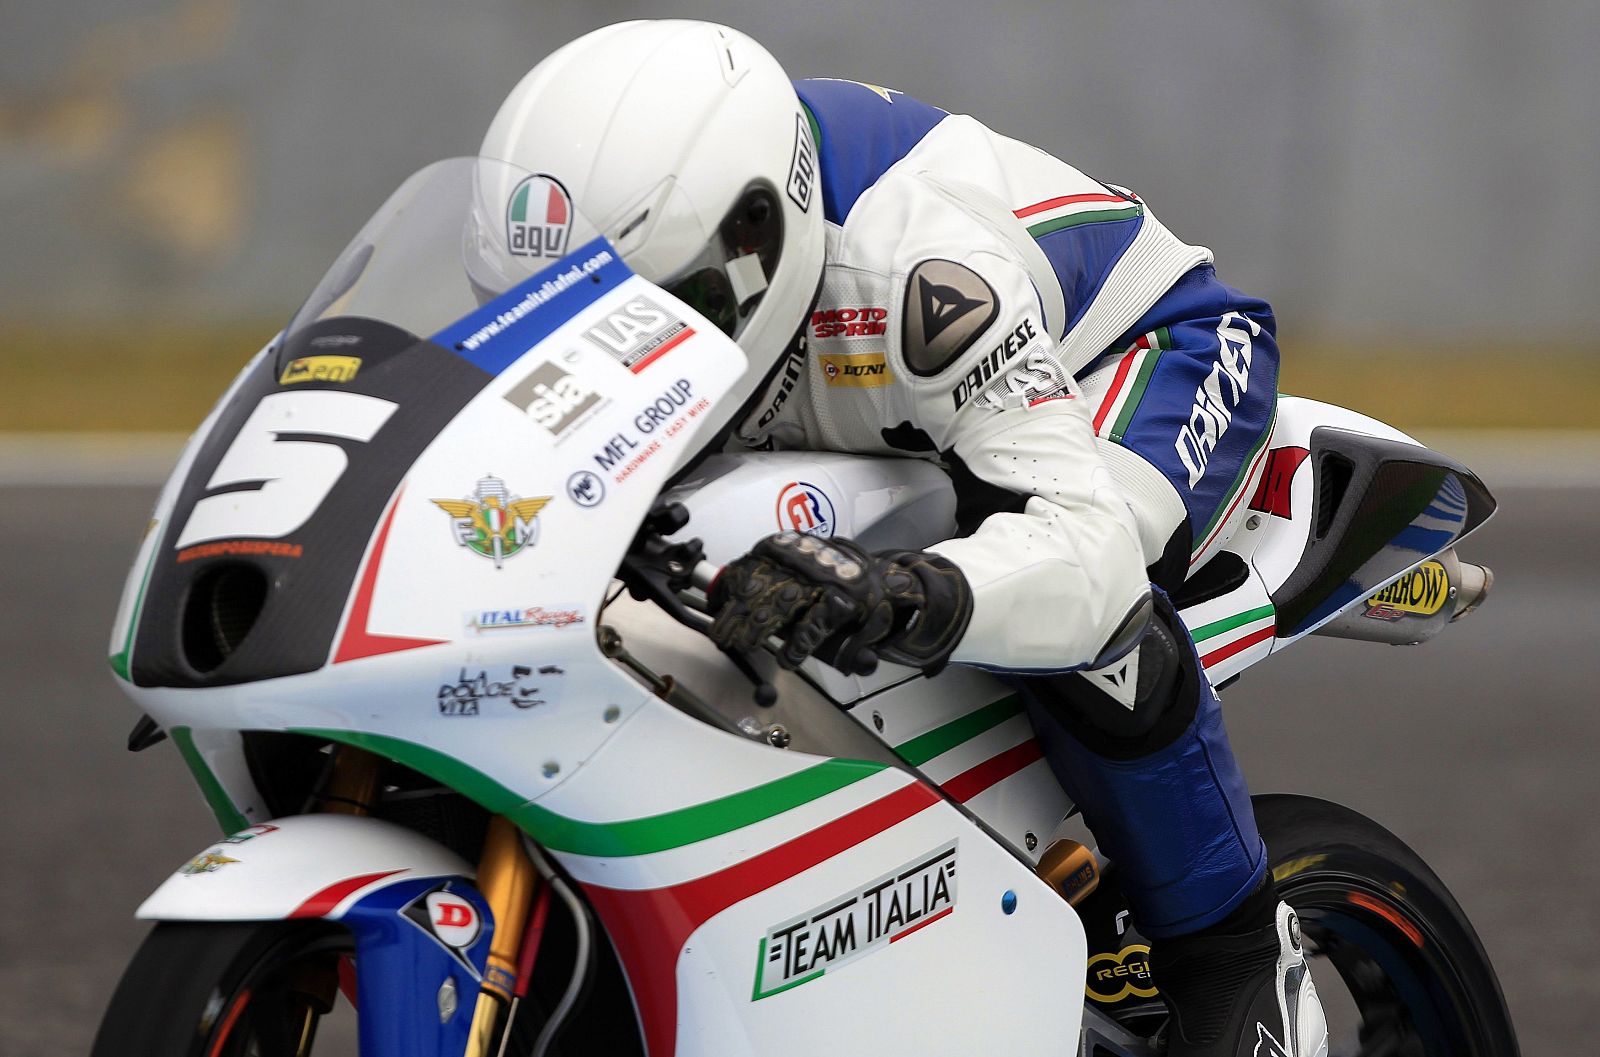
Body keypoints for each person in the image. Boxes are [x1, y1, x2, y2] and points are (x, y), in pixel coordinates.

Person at [480, 20, 1328, 1057]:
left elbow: (1088, 556)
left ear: (757, 234)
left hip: (1142, 356)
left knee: (1078, 617)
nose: (617, 358)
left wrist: (902, 592)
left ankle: (1235, 954)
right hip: (895, 405)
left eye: (659, 315)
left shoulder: (920, 267)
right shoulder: (647, 242)